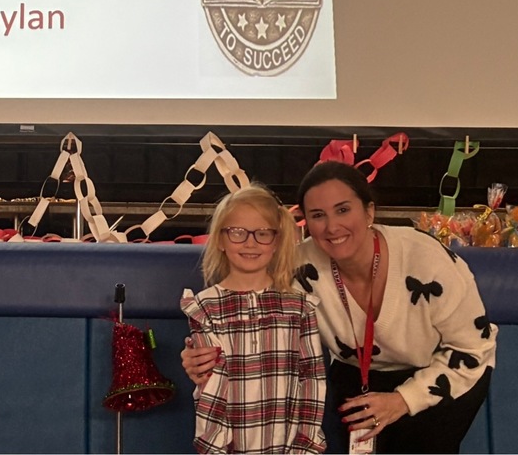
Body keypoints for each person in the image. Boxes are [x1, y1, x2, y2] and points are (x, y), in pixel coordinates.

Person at [181, 162, 497, 454]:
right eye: (318, 215)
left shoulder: (428, 260)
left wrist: (403, 400)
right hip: (359, 373)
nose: (332, 226)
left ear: (369, 211)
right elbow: (253, 314)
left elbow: (472, 349)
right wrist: (201, 355)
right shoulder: (299, 265)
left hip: (447, 369)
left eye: (343, 210)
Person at [180, 184, 327, 454]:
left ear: (276, 241)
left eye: (262, 233)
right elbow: (211, 389)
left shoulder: (300, 307)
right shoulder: (204, 308)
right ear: (221, 240)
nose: (250, 242)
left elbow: (312, 382)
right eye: (237, 232)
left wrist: (306, 448)